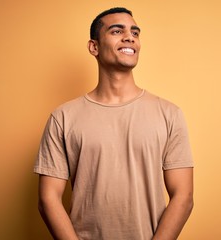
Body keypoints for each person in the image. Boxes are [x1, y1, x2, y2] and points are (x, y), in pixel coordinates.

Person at [34, 7, 194, 240]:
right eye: (117, 31)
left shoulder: (170, 114)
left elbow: (183, 195)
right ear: (94, 47)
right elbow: (48, 199)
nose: (130, 37)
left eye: (135, 33)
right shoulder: (63, 118)